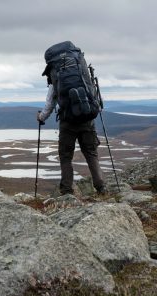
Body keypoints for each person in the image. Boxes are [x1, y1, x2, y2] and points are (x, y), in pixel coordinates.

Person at [37, 43, 106, 195]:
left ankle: (67, 190)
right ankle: (101, 187)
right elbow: (94, 94)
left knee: (65, 156)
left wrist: (41, 117)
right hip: (87, 119)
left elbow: (50, 103)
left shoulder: (56, 77)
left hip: (68, 122)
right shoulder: (83, 73)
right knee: (91, 153)